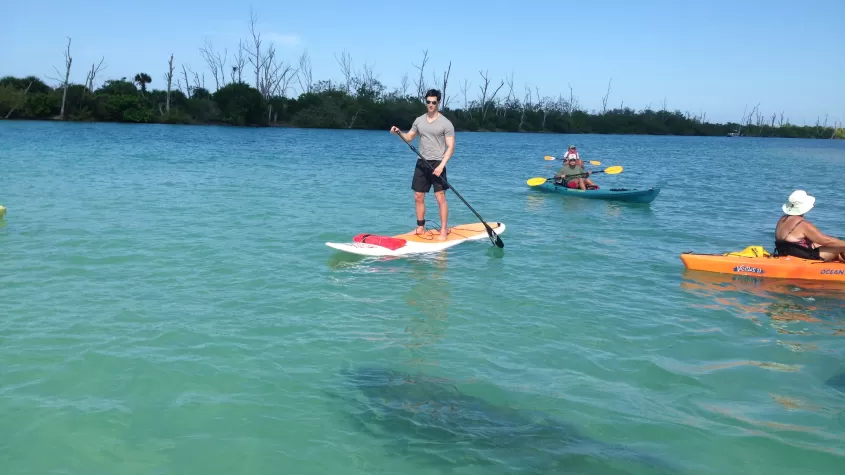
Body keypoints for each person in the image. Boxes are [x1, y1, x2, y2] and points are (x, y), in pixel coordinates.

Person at [390, 89, 455, 241]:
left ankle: (444, 229)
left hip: (438, 163)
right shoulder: (419, 120)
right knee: (418, 196)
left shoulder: (446, 123)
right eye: (428, 102)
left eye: (434, 102)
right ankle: (420, 227)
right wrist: (399, 133)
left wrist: (441, 166)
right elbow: (409, 138)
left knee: (440, 197)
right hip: (422, 162)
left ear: (438, 103)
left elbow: (451, 146)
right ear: (426, 102)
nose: (431, 105)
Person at [774, 190, 845, 262]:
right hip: (803, 257)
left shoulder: (782, 219)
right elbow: (826, 241)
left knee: (835, 244)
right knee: (841, 246)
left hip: (787, 252)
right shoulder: (803, 224)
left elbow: (797, 241)